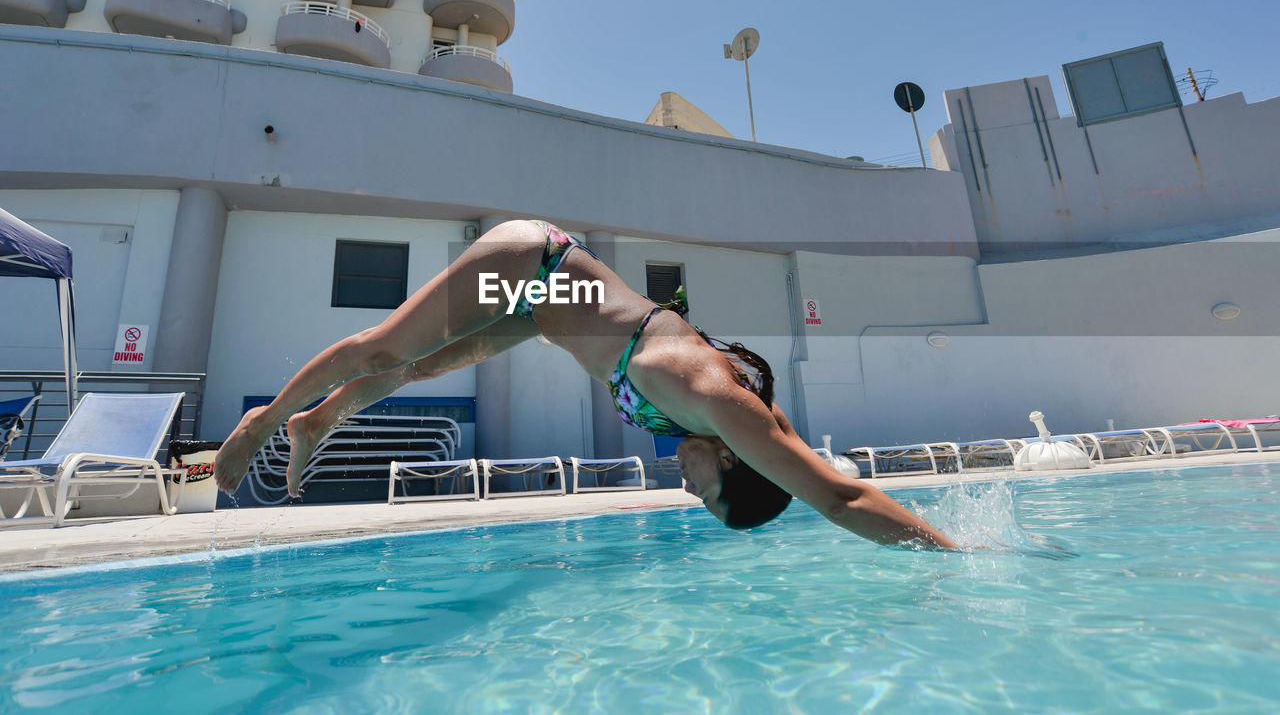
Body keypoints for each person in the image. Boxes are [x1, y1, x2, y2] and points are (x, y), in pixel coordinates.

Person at [215, 220, 956, 548]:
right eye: (701, 490)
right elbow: (840, 494)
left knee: (423, 365)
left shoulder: (719, 418)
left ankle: (317, 423)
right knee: (384, 349)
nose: (685, 484)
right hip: (534, 266)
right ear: (732, 457)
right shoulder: (708, 393)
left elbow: (808, 471)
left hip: (548, 309)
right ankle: (269, 418)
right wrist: (949, 551)